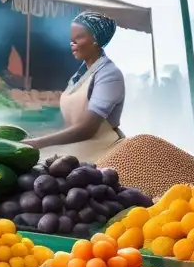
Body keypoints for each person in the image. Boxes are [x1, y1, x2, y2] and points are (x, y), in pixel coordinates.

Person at [23, 12, 125, 161]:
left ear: (95, 40)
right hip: (79, 148)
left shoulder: (109, 75)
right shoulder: (79, 75)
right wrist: (41, 134)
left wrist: (38, 143)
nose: (72, 43)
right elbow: (70, 121)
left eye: (79, 38)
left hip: (102, 154)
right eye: (71, 39)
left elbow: (88, 129)